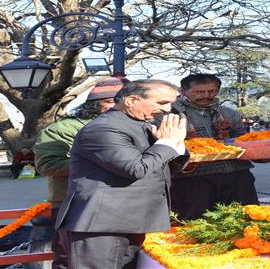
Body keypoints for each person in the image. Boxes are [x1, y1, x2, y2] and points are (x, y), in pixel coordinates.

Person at [56, 79, 188, 269]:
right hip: (101, 224)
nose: (168, 110)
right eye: (162, 103)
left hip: (131, 219)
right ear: (132, 100)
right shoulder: (102, 128)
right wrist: (166, 143)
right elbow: (135, 169)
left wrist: (176, 144)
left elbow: (160, 168)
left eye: (171, 103)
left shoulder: (142, 124)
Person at [34, 77, 125, 269]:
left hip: (120, 202)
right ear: (93, 104)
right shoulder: (63, 128)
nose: (117, 107)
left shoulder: (132, 125)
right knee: (71, 257)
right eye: (110, 101)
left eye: (121, 101)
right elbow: (47, 164)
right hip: (75, 202)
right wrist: (108, 164)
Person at [170, 73, 257, 220]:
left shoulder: (230, 114)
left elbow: (242, 141)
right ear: (182, 91)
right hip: (191, 179)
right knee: (195, 224)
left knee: (244, 220)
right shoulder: (169, 114)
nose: (206, 95)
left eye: (212, 91)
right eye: (199, 92)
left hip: (236, 175)